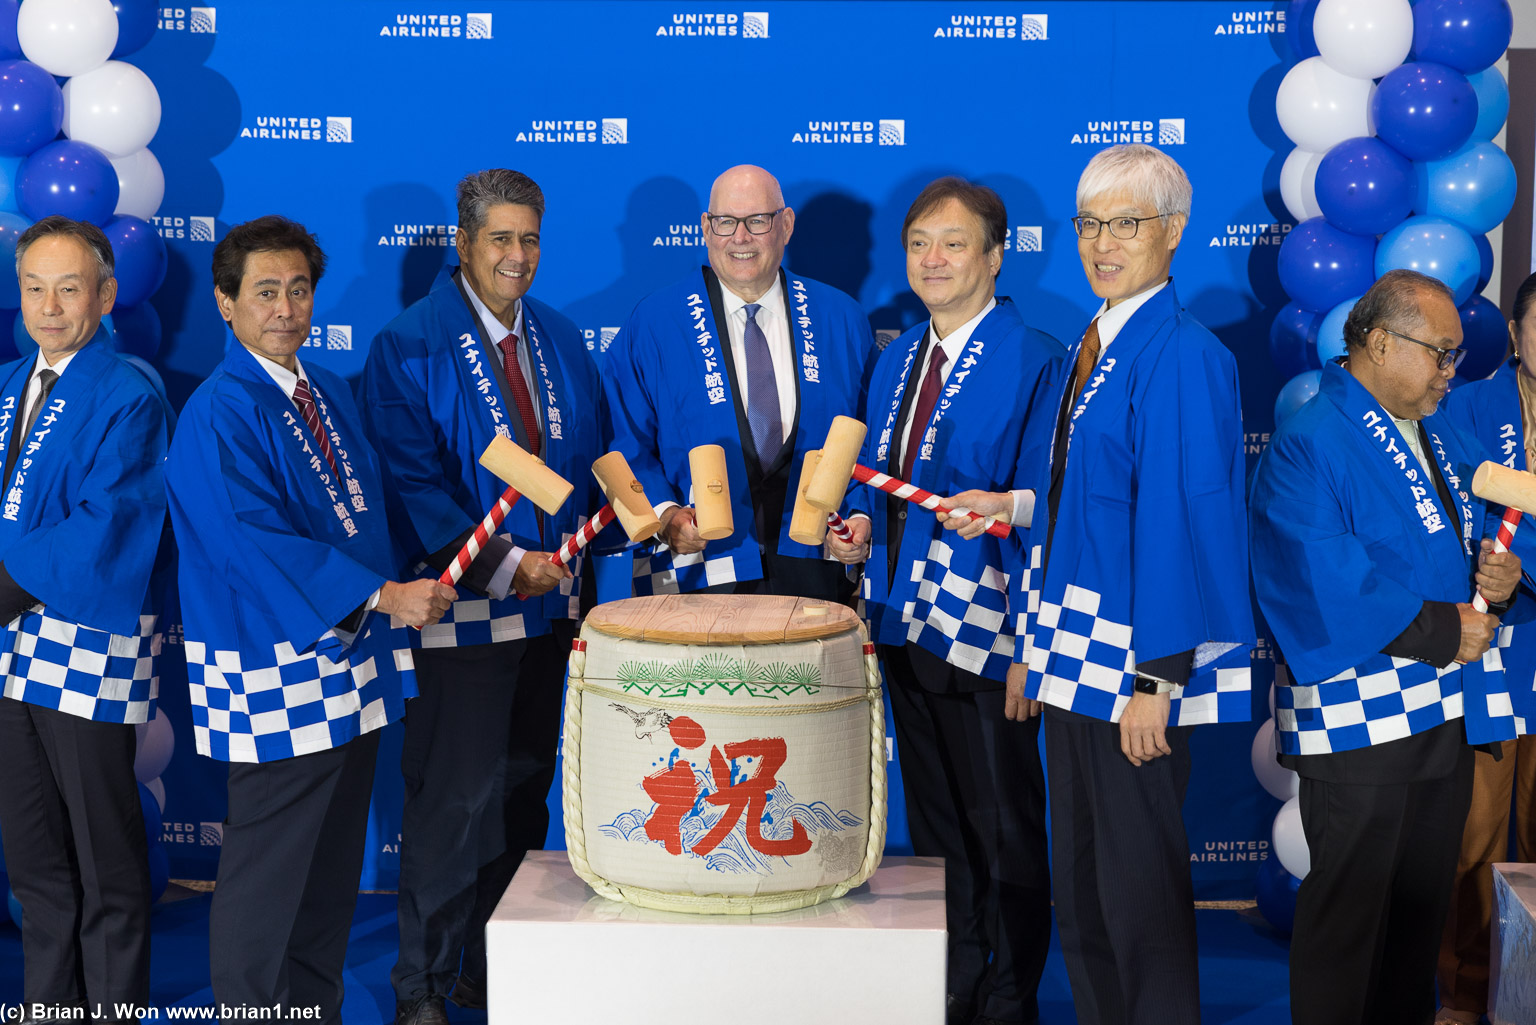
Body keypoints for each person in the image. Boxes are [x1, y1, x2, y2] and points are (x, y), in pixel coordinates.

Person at [163, 216, 455, 1024]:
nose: (286, 308)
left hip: (351, 666)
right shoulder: (220, 409)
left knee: (328, 874)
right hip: (274, 669)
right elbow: (250, 540)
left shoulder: (322, 387)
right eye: (264, 292)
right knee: (266, 875)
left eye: (298, 289)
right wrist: (385, 596)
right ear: (226, 304)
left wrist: (446, 566)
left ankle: (312, 1010)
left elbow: (369, 513)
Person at [1011, 144, 1254, 1025]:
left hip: (1135, 666)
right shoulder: (1097, 338)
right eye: (1090, 223)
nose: (1103, 243)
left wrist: (1159, 676)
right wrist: (1032, 652)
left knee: (1136, 884)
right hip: (1074, 652)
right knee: (1081, 877)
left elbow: (1186, 518)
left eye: (1127, 223)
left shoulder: (1181, 352)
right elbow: (1080, 504)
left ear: (1175, 231)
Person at [361, 169, 605, 1025]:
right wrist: (505, 567)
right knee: (452, 803)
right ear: (462, 244)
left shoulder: (563, 340)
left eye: (530, 238)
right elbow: (412, 487)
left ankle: (493, 965)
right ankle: (420, 984)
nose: (517, 256)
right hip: (462, 615)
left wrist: (638, 519)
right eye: (500, 239)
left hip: (548, 612)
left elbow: (594, 468)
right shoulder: (409, 343)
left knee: (521, 792)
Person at [1251, 269, 1526, 1025]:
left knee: (1413, 926)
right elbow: (1318, 578)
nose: (1450, 373)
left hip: (1437, 717)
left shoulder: (1439, 428)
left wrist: (1495, 577)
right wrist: (1448, 628)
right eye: (1439, 354)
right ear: (1378, 342)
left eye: (1456, 357)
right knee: (1350, 929)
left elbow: (1463, 536)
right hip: (1359, 728)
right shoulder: (1310, 439)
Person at [827, 177, 1063, 1025]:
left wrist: (1033, 648)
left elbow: (1051, 503)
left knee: (1001, 815)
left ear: (996, 256)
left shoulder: (1038, 358)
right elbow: (885, 487)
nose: (933, 258)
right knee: (936, 817)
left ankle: (1012, 987)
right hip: (903, 616)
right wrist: (858, 530)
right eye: (920, 242)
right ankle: (958, 969)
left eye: (954, 243)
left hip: (991, 629)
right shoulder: (896, 359)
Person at [0, 216, 166, 1023]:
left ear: (104, 295)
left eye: (70, 287)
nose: (50, 305)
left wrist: (4, 582)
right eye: (35, 287)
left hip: (83, 647)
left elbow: (111, 518)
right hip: (7, 653)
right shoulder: (4, 387)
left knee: (103, 861)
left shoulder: (128, 392)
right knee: (33, 861)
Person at [605, 163, 874, 599]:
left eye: (758, 221)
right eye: (726, 222)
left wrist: (861, 514)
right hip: (697, 571)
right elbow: (623, 442)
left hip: (815, 568)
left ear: (785, 225)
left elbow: (873, 438)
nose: (740, 238)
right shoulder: (655, 322)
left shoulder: (841, 318)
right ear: (706, 228)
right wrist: (668, 516)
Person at [1424, 271, 1536, 1025]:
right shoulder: (1465, 407)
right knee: (1477, 837)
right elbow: (1461, 506)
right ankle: (1464, 995)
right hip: (1497, 645)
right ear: (1518, 332)